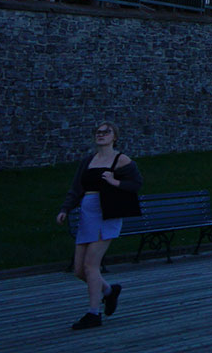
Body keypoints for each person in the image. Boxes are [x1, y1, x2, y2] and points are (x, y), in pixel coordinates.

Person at [55, 122, 140, 329]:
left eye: (106, 132)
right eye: (98, 132)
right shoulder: (88, 161)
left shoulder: (121, 160)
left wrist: (115, 182)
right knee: (79, 270)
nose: (101, 135)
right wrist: (65, 209)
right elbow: (77, 188)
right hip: (87, 214)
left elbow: (136, 184)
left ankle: (93, 314)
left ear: (115, 137)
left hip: (107, 214)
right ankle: (109, 291)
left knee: (91, 266)